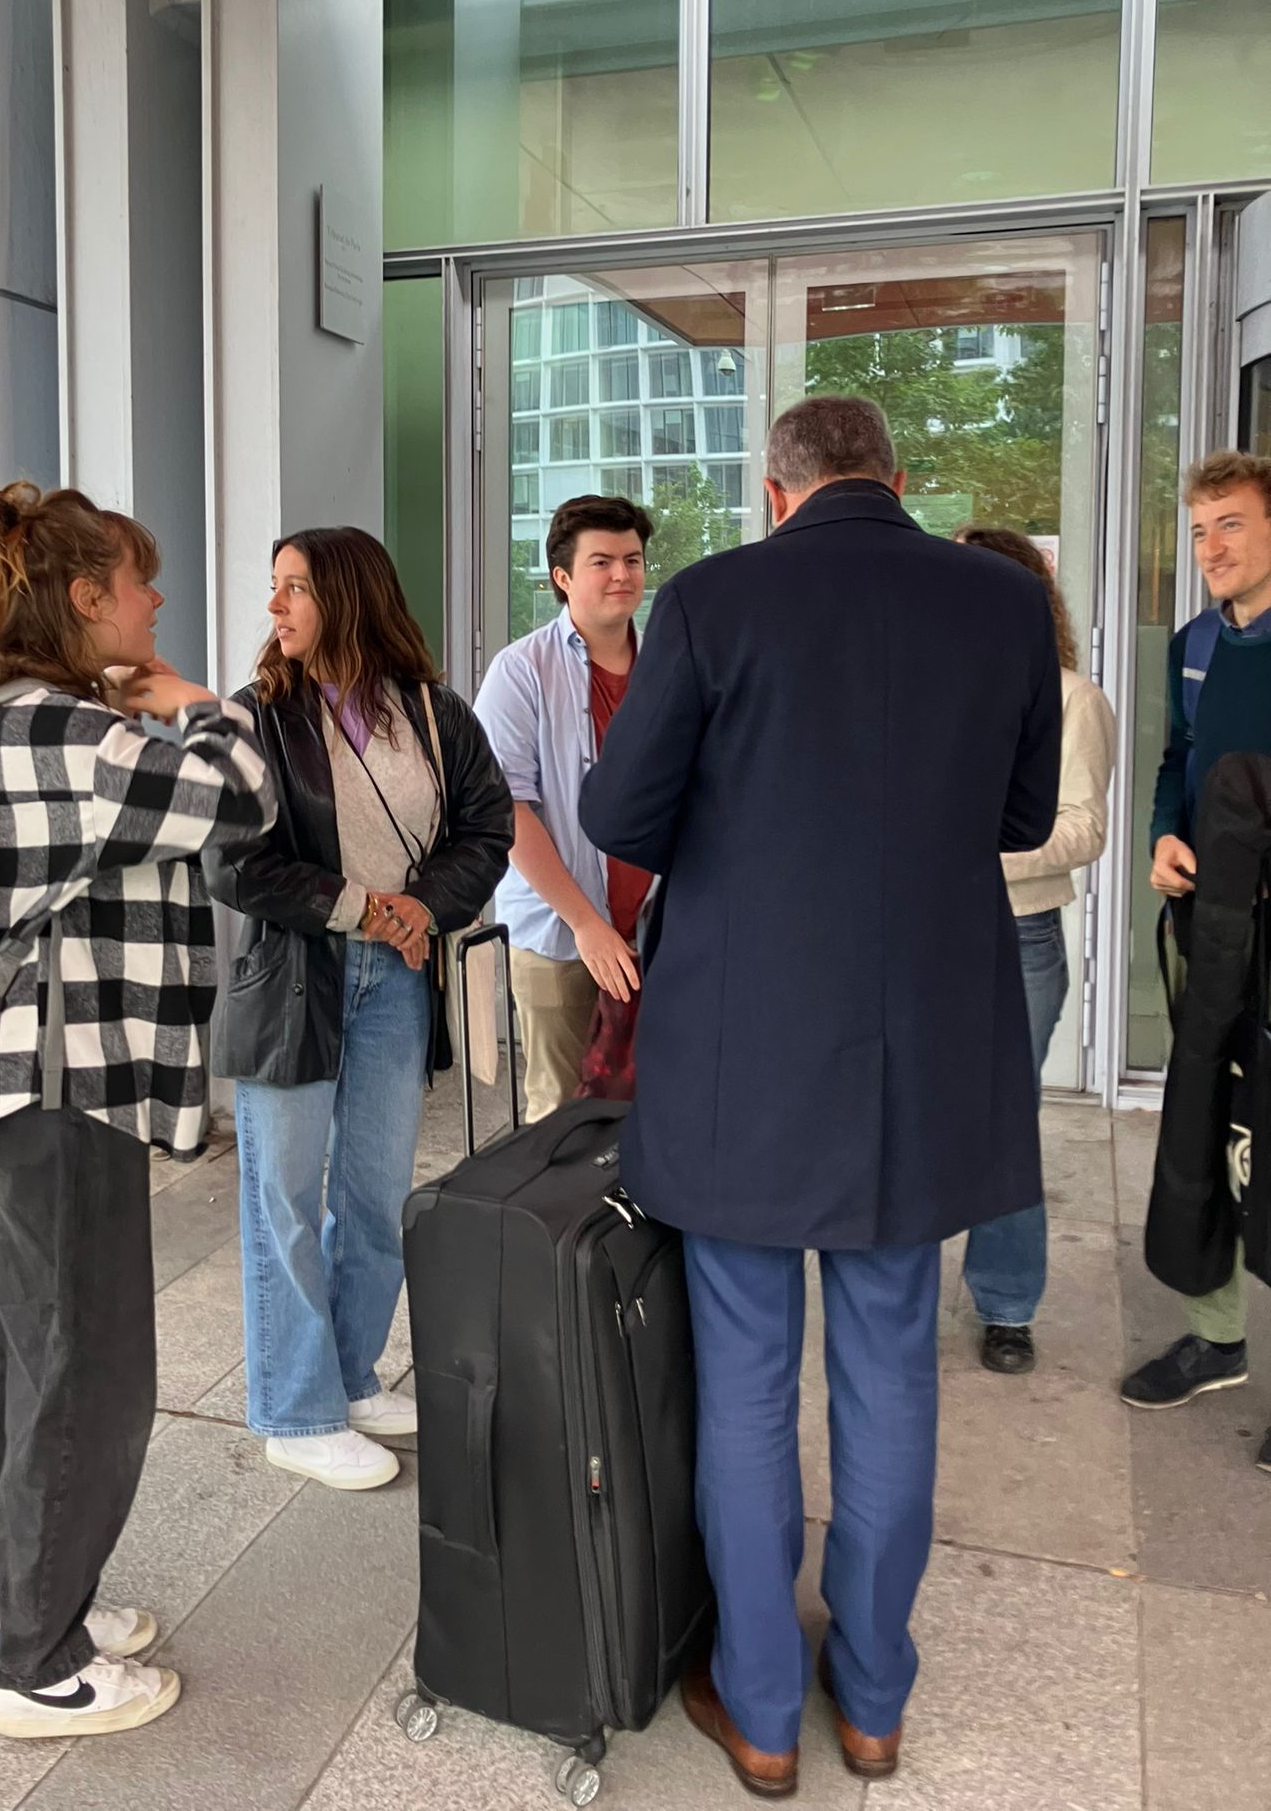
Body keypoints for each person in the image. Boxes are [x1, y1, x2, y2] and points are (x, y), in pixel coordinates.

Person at [580, 396, 1060, 1795]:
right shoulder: (1001, 599)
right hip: (918, 1048)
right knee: (891, 1367)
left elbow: (619, 814)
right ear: (897, 479)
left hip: (744, 1051)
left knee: (743, 1383)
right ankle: (875, 1698)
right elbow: (1022, 816)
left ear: (776, 492)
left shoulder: (712, 599)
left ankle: (762, 1709)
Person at [0, 483, 275, 1741]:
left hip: (18, 1089)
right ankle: (41, 1667)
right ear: (84, 597)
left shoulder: (11, 717)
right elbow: (240, 795)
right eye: (137, 582)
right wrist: (199, 700)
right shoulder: (54, 728)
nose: (155, 599)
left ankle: (17, 1607)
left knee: (20, 1359)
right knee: (88, 1372)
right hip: (59, 1085)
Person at [205, 527, 512, 1494]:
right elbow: (233, 863)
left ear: (349, 596)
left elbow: (487, 827)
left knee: (376, 1198)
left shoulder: (431, 709)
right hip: (296, 977)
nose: (274, 605)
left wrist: (420, 906)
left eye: (294, 587)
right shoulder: (256, 716)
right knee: (287, 1202)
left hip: (399, 976)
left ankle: (350, 1374)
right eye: (275, 587)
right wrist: (361, 909)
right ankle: (295, 1412)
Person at [1123, 451, 1271, 1439]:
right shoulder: (1197, 644)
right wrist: (1164, 836)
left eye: (1232, 524)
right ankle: (1219, 1340)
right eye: (1200, 530)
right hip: (1209, 933)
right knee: (1207, 1125)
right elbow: (1178, 760)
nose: (1211, 548)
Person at [956, 527, 1116, 1376]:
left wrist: (968, 853)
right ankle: (892, 1281)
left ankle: (1006, 1304)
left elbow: (1083, 829)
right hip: (925, 929)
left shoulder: (1072, 699)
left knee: (1002, 1122)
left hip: (1018, 934)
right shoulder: (931, 684)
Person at [474, 495, 655, 1121]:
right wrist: (586, 924)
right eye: (601, 562)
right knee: (561, 1121)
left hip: (655, 932)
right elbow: (507, 810)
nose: (622, 575)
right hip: (560, 936)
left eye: (632, 560)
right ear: (562, 577)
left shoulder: (668, 665)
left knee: (655, 1114)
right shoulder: (520, 671)